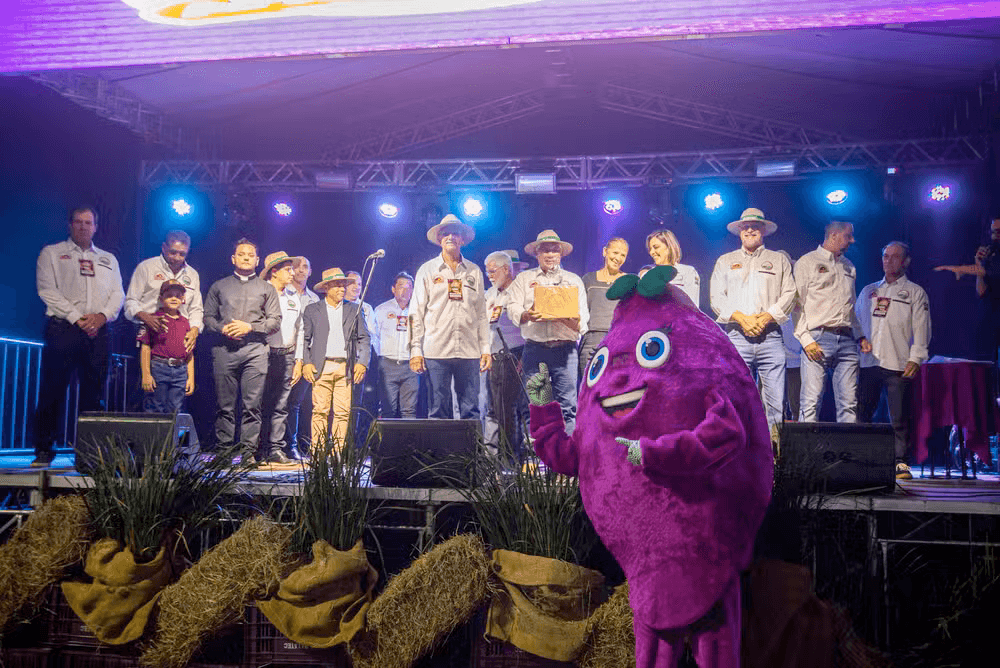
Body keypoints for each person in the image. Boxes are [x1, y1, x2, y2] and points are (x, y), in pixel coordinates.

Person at [34, 206, 125, 467]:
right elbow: (47, 290)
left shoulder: (109, 259)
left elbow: (118, 294)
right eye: (79, 222)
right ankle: (43, 449)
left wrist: (102, 316)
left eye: (89, 222)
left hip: (98, 330)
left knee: (94, 394)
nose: (84, 226)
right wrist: (78, 318)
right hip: (63, 328)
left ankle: (89, 453)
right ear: (70, 225)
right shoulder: (52, 253)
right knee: (52, 390)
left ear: (96, 226)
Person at [709, 208, 796, 432]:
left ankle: (774, 456)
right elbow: (716, 298)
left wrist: (766, 317)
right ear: (739, 231)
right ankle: (739, 453)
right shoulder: (725, 261)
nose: (749, 229)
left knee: (775, 402)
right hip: (736, 335)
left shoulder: (778, 260)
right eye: (745, 226)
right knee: (734, 398)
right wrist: (742, 318)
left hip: (771, 337)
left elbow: (789, 294)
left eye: (755, 226)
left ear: (763, 230)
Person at [857, 242, 931, 480]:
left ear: (906, 261)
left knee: (898, 416)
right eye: (885, 256)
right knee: (863, 413)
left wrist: (917, 357)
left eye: (894, 257)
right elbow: (856, 321)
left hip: (898, 361)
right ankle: (862, 459)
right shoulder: (869, 290)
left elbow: (922, 328)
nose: (888, 261)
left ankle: (900, 461)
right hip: (869, 362)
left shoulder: (915, 292)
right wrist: (860, 340)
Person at [203, 238, 281, 463]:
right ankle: (224, 452)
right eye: (241, 253)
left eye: (250, 254)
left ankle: (247, 454)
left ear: (257, 260)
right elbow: (208, 317)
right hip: (224, 350)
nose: (246, 257)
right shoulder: (219, 286)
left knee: (252, 405)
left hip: (255, 351)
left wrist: (250, 327)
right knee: (224, 406)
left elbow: (275, 321)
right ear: (233, 258)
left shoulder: (267, 288)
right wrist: (222, 328)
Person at [506, 229, 589, 433]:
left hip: (566, 350)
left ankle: (567, 459)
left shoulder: (574, 280)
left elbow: (583, 319)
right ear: (537, 253)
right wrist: (527, 314)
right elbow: (512, 307)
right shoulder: (524, 279)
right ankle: (537, 460)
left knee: (568, 407)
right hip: (535, 350)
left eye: (554, 250)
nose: (550, 254)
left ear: (561, 253)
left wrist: (572, 320)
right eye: (545, 250)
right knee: (535, 406)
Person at [409, 214, 491, 420]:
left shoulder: (474, 271)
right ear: (439, 239)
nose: (450, 237)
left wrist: (486, 349)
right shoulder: (427, 270)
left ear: (462, 239)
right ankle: (440, 453)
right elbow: (416, 312)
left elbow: (481, 313)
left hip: (470, 350)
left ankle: (472, 453)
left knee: (471, 409)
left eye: (455, 233)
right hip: (436, 350)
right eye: (445, 233)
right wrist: (415, 350)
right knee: (438, 410)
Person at [793, 220, 871, 423]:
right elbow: (796, 305)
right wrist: (805, 340)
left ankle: (846, 454)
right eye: (848, 236)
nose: (852, 240)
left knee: (849, 404)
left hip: (846, 340)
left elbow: (850, 306)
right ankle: (805, 454)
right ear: (834, 235)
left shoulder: (849, 266)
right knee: (810, 402)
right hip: (818, 337)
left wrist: (860, 335)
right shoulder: (807, 262)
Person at [301, 267, 371, 454]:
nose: (342, 289)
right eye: (338, 286)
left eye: (343, 285)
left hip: (345, 367)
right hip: (321, 367)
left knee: (342, 412)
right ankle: (318, 453)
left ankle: (337, 454)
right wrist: (306, 363)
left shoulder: (354, 309)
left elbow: (364, 338)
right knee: (320, 411)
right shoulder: (312, 310)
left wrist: (362, 362)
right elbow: (305, 339)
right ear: (326, 288)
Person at [124, 229, 203, 355]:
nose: (177, 258)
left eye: (182, 254)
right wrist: (146, 317)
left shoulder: (192, 275)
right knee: (146, 374)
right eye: (173, 252)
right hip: (149, 335)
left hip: (180, 337)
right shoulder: (146, 267)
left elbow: (196, 309)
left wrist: (194, 330)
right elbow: (130, 301)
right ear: (164, 247)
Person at [259, 251, 304, 465]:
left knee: (281, 404)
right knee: (258, 402)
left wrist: (299, 360)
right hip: (263, 354)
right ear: (274, 272)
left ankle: (276, 449)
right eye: (288, 269)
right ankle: (257, 447)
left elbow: (301, 329)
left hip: (287, 355)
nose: (293, 273)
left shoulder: (294, 296)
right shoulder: (261, 293)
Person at [935, 216, 1000, 362]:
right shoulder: (993, 252)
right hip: (993, 320)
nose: (996, 236)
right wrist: (979, 263)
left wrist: (960, 269)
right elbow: (982, 292)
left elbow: (989, 271)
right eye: (993, 232)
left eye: (999, 232)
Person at [483, 251, 528, 461]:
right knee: (495, 409)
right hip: (493, 355)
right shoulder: (489, 295)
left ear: (506, 270)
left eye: (493, 271)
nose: (489, 275)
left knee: (513, 408)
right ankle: (495, 457)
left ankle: (514, 458)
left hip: (516, 353)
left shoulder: (520, 291)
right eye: (487, 271)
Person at [138, 280, 194, 415]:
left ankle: (177, 437)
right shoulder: (154, 319)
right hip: (159, 368)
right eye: (169, 295)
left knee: (177, 409)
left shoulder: (185, 322)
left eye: (178, 295)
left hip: (180, 370)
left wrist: (190, 378)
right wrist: (146, 375)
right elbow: (145, 347)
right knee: (156, 408)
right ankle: (155, 437)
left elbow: (190, 353)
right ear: (161, 298)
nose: (174, 298)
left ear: (183, 299)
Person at [372, 272, 419, 419]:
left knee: (409, 411)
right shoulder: (381, 309)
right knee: (388, 410)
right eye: (401, 287)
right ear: (393, 289)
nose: (405, 290)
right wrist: (382, 357)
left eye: (409, 287)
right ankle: (387, 442)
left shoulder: (418, 310)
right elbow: (374, 337)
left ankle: (408, 443)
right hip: (387, 365)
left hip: (410, 366)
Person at [579, 238, 628, 379]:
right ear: (605, 252)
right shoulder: (588, 280)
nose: (618, 258)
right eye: (615, 252)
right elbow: (580, 310)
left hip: (620, 340)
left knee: (615, 389)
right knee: (589, 388)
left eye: (623, 255)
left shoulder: (630, 281)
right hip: (591, 340)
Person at [286, 256, 319, 459]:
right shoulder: (281, 292)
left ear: (310, 271)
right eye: (295, 266)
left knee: (297, 404)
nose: (300, 270)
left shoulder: (314, 299)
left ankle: (293, 446)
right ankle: (270, 447)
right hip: (282, 354)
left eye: (305, 266)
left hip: (306, 357)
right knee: (276, 402)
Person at [646, 229, 701, 307]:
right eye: (650, 249)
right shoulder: (648, 275)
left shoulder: (688, 272)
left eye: (656, 247)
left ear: (669, 246)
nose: (652, 252)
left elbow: (692, 307)